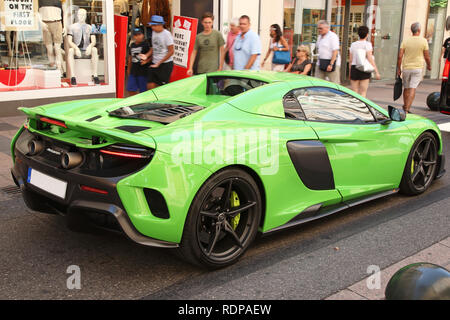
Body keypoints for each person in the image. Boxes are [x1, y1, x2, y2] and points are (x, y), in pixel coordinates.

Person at [397, 22, 431, 113]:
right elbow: (427, 56)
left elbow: (400, 56)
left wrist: (398, 69)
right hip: (417, 68)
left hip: (406, 68)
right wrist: (429, 65)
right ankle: (407, 109)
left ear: (412, 31)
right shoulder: (423, 41)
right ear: (419, 30)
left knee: (406, 88)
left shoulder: (405, 41)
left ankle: (405, 106)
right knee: (412, 88)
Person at [139, 15, 174, 90]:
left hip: (165, 64)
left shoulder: (167, 34)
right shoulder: (153, 32)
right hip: (154, 63)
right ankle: (151, 101)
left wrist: (159, 63)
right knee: (149, 84)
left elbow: (171, 51)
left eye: (154, 25)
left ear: (161, 25)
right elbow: (153, 48)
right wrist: (146, 55)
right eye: (152, 25)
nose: (152, 27)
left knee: (162, 88)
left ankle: (162, 101)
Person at [349, 26, 380, 97]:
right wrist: (376, 72)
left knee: (354, 92)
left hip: (354, 68)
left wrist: (350, 72)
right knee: (363, 92)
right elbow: (370, 59)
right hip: (364, 69)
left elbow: (351, 60)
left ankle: (354, 106)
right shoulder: (367, 44)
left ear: (358, 34)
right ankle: (361, 107)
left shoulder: (353, 44)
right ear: (367, 34)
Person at [127, 27, 150, 96]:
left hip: (143, 72)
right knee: (130, 88)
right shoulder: (132, 45)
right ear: (133, 36)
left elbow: (152, 56)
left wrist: (147, 61)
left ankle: (143, 103)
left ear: (143, 35)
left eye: (139, 35)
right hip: (133, 71)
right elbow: (130, 58)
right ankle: (135, 102)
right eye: (136, 35)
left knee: (143, 90)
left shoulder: (146, 44)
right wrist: (128, 69)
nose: (138, 37)